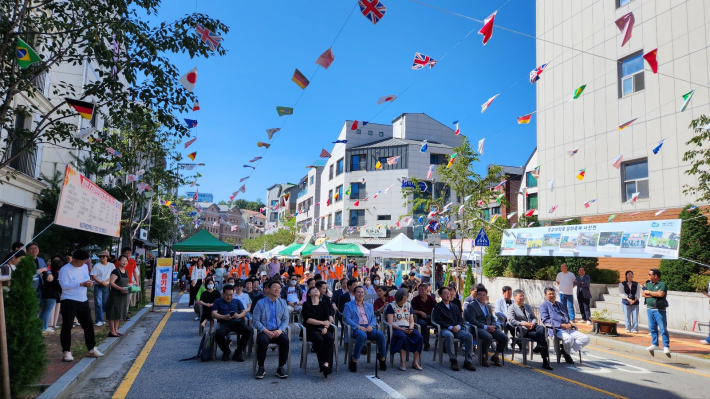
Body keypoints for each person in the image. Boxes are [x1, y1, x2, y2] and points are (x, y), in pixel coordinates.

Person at [58, 249, 104, 362]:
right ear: (74, 259)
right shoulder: (65, 269)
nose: (83, 264)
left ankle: (91, 348)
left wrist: (88, 283)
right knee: (67, 325)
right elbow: (63, 285)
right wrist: (81, 284)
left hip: (83, 299)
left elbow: (86, 278)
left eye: (85, 261)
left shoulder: (84, 267)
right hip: (68, 299)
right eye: (81, 261)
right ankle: (66, 351)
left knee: (88, 324)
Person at [539, 287, 590, 364]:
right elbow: (545, 320)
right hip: (555, 329)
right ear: (546, 296)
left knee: (586, 338)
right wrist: (561, 325)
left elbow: (566, 316)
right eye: (550, 294)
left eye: (553, 293)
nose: (552, 295)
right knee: (569, 339)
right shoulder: (544, 305)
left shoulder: (559, 304)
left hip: (567, 328)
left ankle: (564, 350)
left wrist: (569, 323)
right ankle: (567, 354)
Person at [343, 286, 387, 372]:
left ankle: (382, 358)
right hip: (356, 328)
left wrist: (371, 326)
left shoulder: (369, 306)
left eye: (362, 292)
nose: (361, 294)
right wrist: (358, 327)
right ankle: (354, 359)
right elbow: (347, 319)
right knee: (362, 335)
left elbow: (374, 318)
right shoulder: (348, 305)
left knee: (381, 335)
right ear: (354, 294)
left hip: (368, 327)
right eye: (358, 292)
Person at [252, 280, 290, 379]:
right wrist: (266, 331)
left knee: (285, 340)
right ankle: (261, 367)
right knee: (262, 341)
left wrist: (280, 330)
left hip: (277, 330)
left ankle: (281, 367)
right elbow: (255, 321)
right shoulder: (260, 303)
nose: (277, 289)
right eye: (274, 287)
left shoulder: (283, 303)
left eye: (279, 287)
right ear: (268, 289)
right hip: (264, 331)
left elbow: (286, 319)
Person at [507, 289, 552, 370]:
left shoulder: (527, 306)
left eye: (523, 296)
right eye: (520, 296)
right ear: (515, 297)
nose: (522, 297)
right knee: (542, 339)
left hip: (532, 327)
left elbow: (533, 317)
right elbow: (511, 320)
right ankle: (545, 360)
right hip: (523, 330)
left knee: (541, 328)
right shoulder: (511, 308)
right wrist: (524, 324)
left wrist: (533, 323)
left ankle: (539, 347)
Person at [432, 287, 476, 371]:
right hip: (445, 329)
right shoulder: (438, 307)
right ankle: (453, 359)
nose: (448, 295)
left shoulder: (454, 306)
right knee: (449, 335)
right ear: (440, 295)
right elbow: (438, 320)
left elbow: (460, 319)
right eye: (445, 293)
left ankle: (468, 361)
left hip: (456, 328)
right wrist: (450, 327)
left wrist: (458, 326)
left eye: (448, 293)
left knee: (469, 336)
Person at [464, 286, 507, 367]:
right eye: (480, 294)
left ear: (486, 296)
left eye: (484, 295)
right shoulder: (471, 306)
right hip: (478, 328)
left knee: (504, 337)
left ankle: (495, 356)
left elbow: (493, 318)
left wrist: (493, 326)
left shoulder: (488, 306)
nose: (482, 296)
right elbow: (472, 320)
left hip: (490, 327)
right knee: (488, 337)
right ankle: (483, 356)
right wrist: (485, 327)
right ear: (476, 295)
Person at [212, 284, 252, 362]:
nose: (229, 297)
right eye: (227, 295)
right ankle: (226, 351)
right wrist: (223, 317)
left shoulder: (237, 301)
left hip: (237, 322)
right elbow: (213, 313)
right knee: (218, 334)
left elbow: (244, 312)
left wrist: (238, 316)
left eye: (231, 295)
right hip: (224, 322)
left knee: (248, 331)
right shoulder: (218, 301)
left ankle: (238, 352)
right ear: (223, 294)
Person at [386, 288, 423, 371]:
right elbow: (390, 322)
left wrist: (411, 328)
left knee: (419, 337)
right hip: (396, 328)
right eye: (402, 300)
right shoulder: (391, 306)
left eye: (405, 299)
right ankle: (402, 361)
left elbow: (411, 320)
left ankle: (415, 361)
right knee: (403, 337)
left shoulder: (408, 305)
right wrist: (401, 329)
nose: (403, 302)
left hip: (407, 327)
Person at [302, 286, 335, 378]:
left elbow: (327, 320)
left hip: (323, 328)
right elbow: (308, 320)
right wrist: (321, 323)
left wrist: (325, 327)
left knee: (329, 338)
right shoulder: (306, 304)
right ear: (309, 294)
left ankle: (326, 364)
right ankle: (323, 364)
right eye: (313, 289)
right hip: (311, 329)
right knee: (319, 340)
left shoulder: (324, 304)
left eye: (317, 289)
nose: (316, 290)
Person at [642, 268, 671, 356]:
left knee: (662, 328)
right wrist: (653, 293)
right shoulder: (648, 284)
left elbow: (661, 294)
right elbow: (643, 294)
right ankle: (655, 344)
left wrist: (649, 293)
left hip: (659, 310)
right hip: (649, 309)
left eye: (649, 274)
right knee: (652, 327)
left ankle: (666, 346)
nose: (648, 276)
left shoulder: (662, 284)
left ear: (655, 276)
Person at [106, 255, 130, 337]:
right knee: (113, 312)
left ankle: (116, 329)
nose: (124, 262)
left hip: (123, 295)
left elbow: (126, 283)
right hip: (115, 295)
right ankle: (112, 331)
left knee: (119, 313)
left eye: (126, 261)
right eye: (123, 260)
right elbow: (111, 283)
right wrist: (120, 288)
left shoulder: (126, 271)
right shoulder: (116, 271)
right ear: (118, 261)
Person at [90, 250, 115, 327]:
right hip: (98, 285)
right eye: (100, 256)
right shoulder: (97, 265)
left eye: (103, 256)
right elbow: (93, 276)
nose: (102, 258)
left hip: (107, 285)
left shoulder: (111, 265)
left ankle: (102, 318)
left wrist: (106, 281)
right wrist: (101, 282)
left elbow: (113, 275)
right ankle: (99, 319)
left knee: (105, 303)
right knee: (98, 303)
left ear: (107, 257)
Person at [40, 255, 62, 334]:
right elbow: (57, 284)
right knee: (48, 311)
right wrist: (61, 291)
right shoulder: (57, 275)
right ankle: (45, 327)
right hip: (52, 295)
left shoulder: (47, 274)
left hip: (44, 293)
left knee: (43, 310)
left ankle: (39, 326)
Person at [411, 284, 436, 351]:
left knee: (440, 324)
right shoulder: (415, 299)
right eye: (420, 290)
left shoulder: (431, 298)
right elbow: (411, 310)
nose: (421, 292)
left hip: (430, 317)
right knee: (422, 324)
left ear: (427, 291)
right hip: (420, 317)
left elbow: (437, 307)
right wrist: (420, 312)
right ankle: (426, 344)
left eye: (423, 290)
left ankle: (444, 344)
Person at [121, 247, 137, 321]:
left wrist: (137, 281)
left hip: (130, 283)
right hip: (120, 283)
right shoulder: (118, 261)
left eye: (129, 253)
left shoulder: (133, 261)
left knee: (127, 300)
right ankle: (119, 315)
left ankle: (124, 315)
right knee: (120, 299)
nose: (128, 255)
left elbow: (135, 272)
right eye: (126, 253)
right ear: (123, 253)